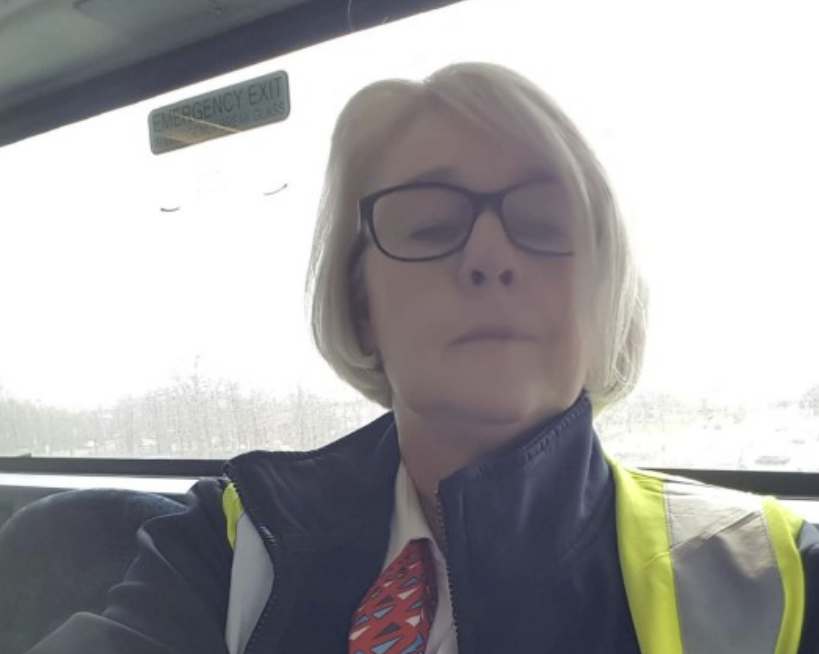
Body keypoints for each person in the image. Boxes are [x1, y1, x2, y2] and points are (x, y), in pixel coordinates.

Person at [28, 63, 819, 654]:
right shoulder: (231, 541)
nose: (489, 256)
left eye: (544, 221)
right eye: (430, 224)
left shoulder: (770, 573)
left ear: (603, 294)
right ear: (360, 304)